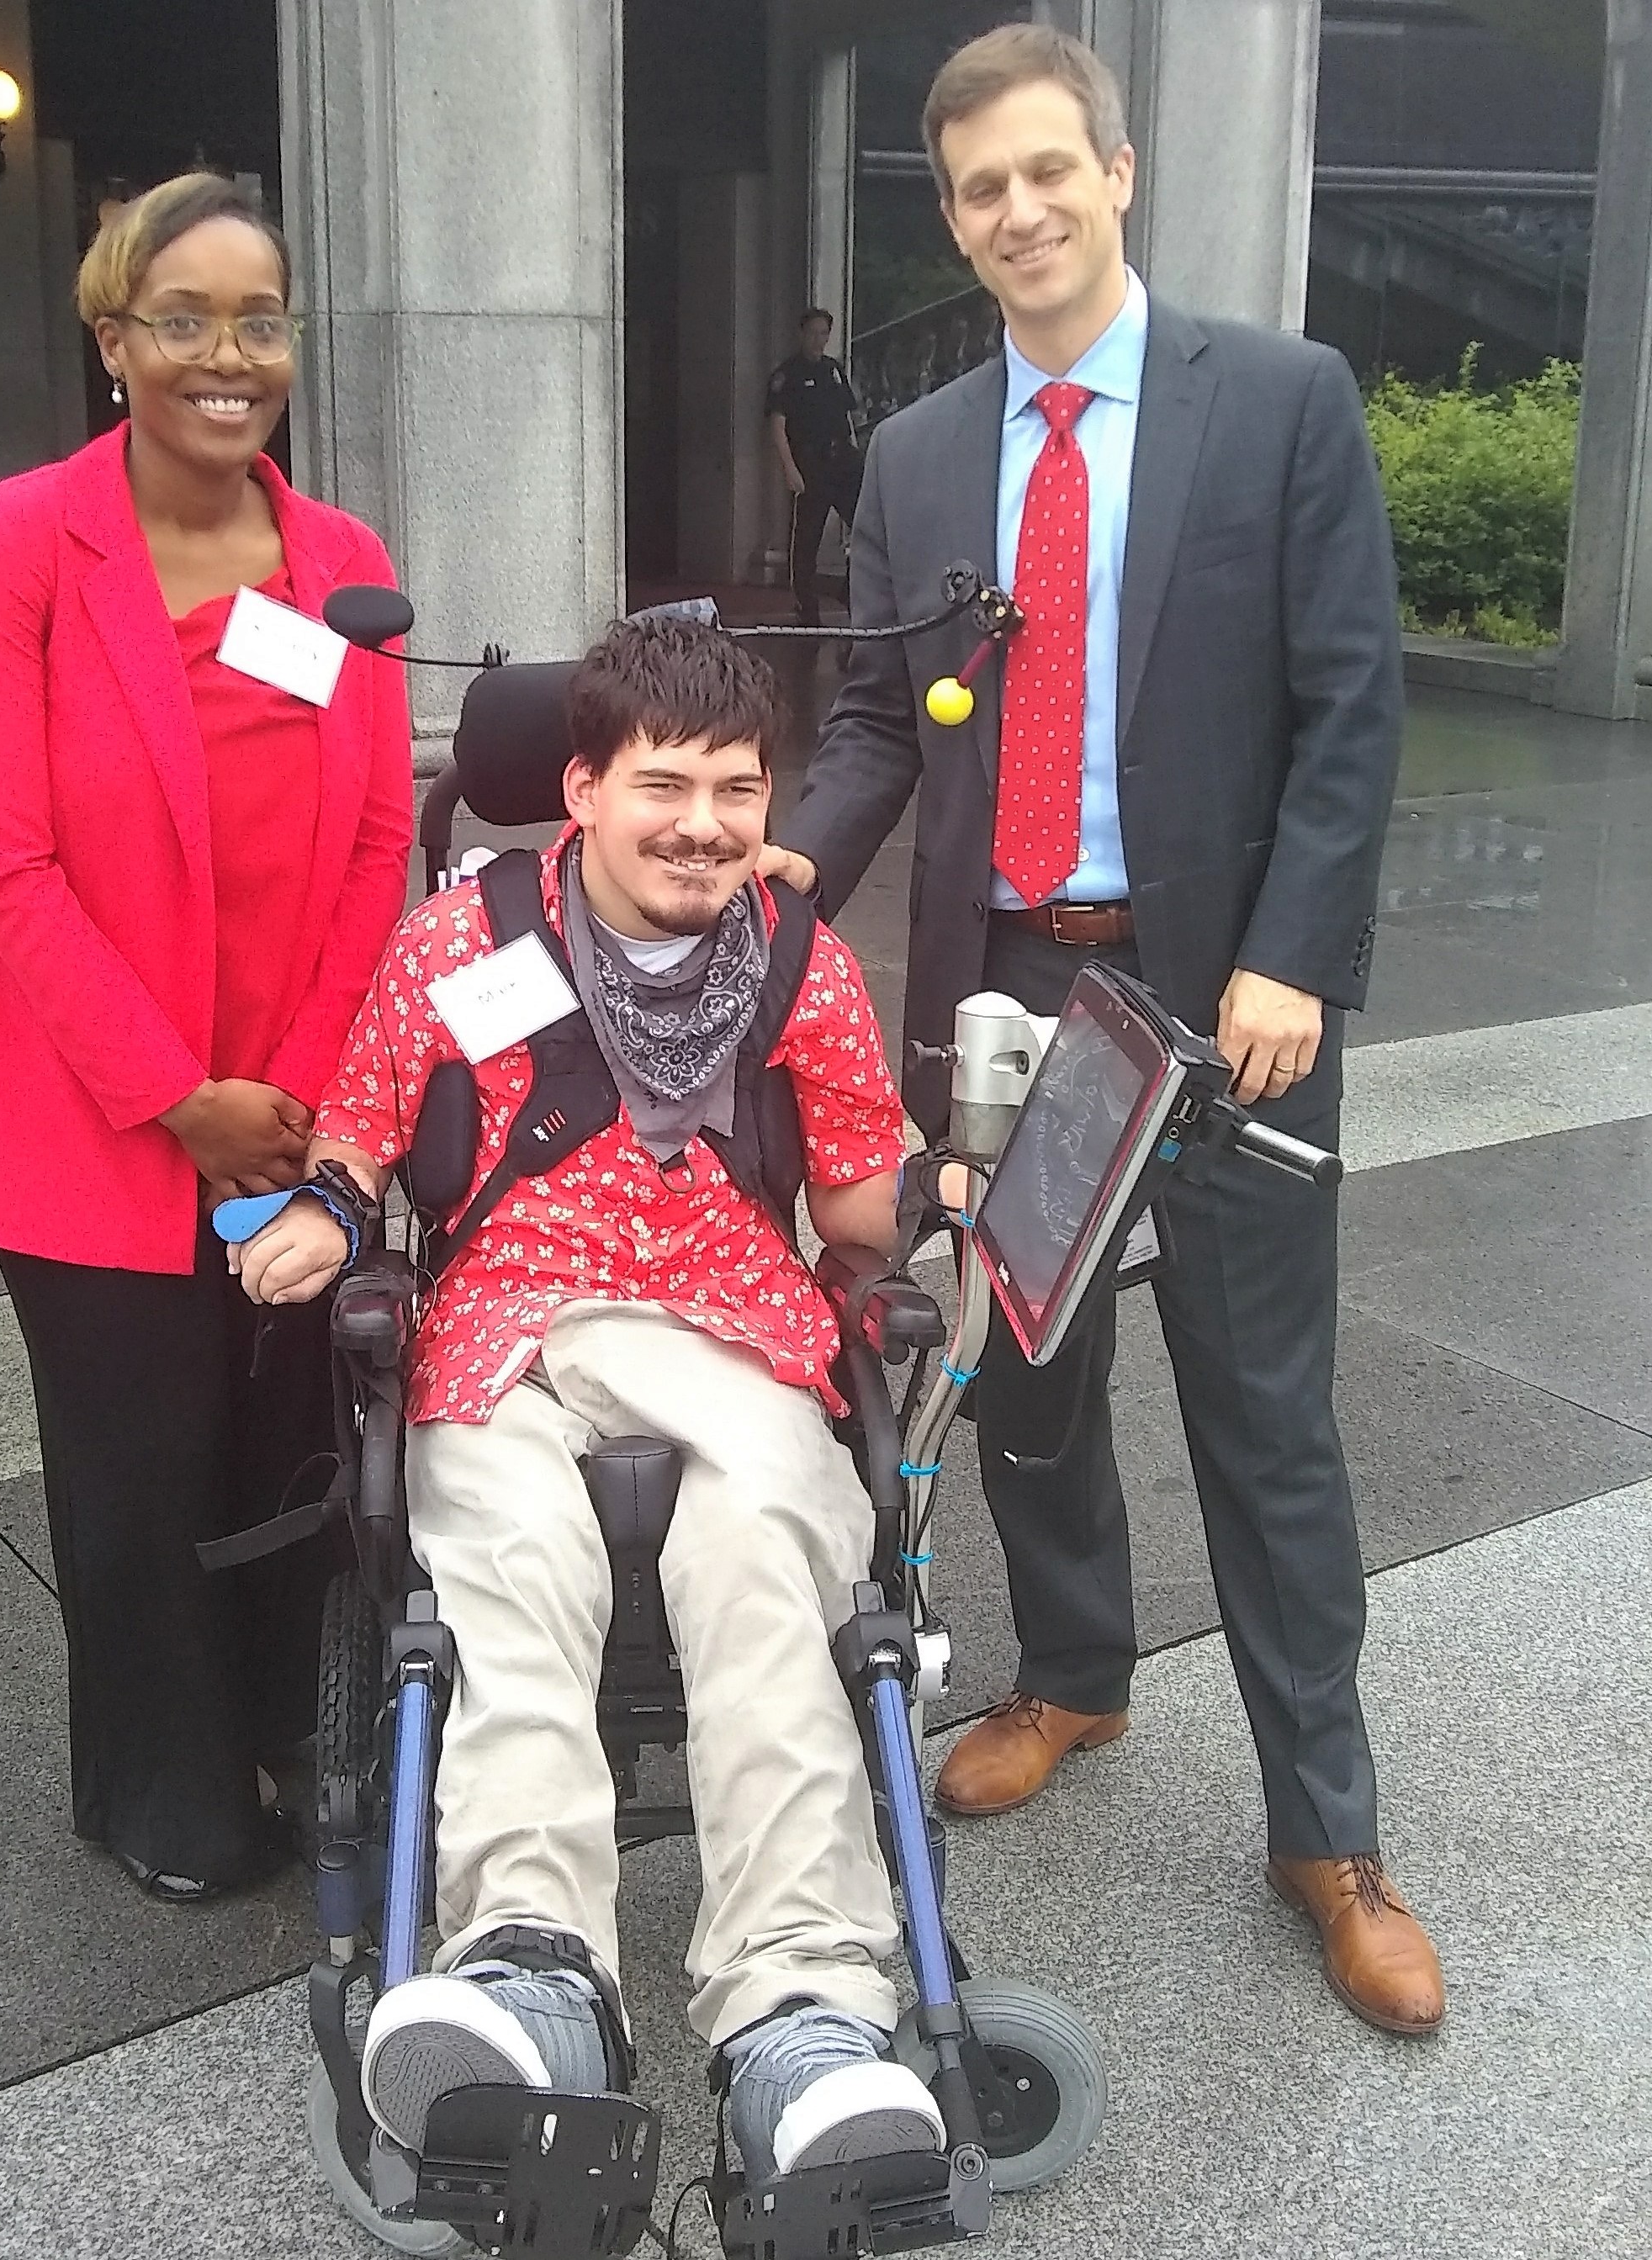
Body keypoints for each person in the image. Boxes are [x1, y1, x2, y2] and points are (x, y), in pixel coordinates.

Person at [760, 26, 1444, 2035]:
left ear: (1115, 172)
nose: (1017, 213)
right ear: (952, 213)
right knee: (1026, 1375)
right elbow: (885, 716)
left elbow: (1349, 702)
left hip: (1212, 989)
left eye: (1046, 171)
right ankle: (1071, 1670)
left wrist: (1291, 956)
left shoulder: (1278, 404)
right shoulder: (913, 449)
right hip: (1005, 987)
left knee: (1260, 1412)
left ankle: (1325, 1828)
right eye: (977, 189)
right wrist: (785, 872)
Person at [229, 616, 946, 2183]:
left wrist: (948, 1178)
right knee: (505, 1556)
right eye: (664, 784)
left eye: (738, 791)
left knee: (772, 1557)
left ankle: (805, 2015)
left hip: (736, 1325)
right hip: (505, 1325)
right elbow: (357, 1133)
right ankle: (535, 1970)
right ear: (580, 788)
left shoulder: (799, 959)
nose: (703, 824)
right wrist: (326, 1218)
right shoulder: (459, 938)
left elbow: (858, 1215)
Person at [0, 173, 414, 1902]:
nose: (229, 352)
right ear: (113, 337)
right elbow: (2, 861)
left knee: (291, 1446)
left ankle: (298, 1726)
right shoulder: (15, 543)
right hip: (92, 1120)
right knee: (137, 1471)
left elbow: (372, 841)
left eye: (258, 316)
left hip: (286, 1104)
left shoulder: (342, 562)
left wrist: (287, 1087)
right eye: (184, 317)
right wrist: (172, 1096)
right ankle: (167, 1788)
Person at [766, 309, 864, 627]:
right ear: (801, 334)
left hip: (843, 461)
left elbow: (849, 416)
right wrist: (790, 469)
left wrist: (856, 453)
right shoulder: (787, 375)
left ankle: (849, 592)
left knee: (867, 529)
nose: (819, 340)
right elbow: (778, 426)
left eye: (824, 333)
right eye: (813, 333)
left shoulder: (833, 370)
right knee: (807, 538)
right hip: (810, 464)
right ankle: (806, 607)